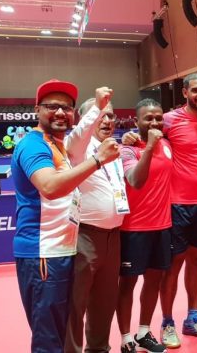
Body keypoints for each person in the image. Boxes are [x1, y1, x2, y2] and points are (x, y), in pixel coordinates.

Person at [12, 80, 119, 352]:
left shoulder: (58, 145)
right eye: (52, 107)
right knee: (49, 339)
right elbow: (49, 187)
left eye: (66, 108)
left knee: (60, 332)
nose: (60, 113)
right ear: (37, 110)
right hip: (42, 254)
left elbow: (82, 133)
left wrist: (97, 106)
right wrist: (97, 161)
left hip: (61, 252)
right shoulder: (33, 145)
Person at [124, 77, 197, 344]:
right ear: (185, 92)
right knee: (172, 266)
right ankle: (167, 322)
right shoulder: (168, 119)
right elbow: (145, 129)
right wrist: (129, 136)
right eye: (196, 90)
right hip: (176, 206)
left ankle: (193, 317)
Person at [65, 97, 129, 353]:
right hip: (85, 235)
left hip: (113, 237)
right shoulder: (78, 148)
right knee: (75, 304)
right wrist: (98, 106)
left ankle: (99, 349)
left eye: (111, 116)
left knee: (104, 302)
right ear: (87, 118)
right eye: (100, 115)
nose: (107, 120)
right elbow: (79, 135)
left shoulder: (113, 148)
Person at [116, 99, 173, 353]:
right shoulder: (127, 149)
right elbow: (135, 180)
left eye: (158, 118)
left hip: (162, 225)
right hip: (133, 228)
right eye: (148, 118)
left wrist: (156, 143)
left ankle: (143, 332)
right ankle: (125, 337)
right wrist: (148, 146)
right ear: (136, 121)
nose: (154, 122)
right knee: (127, 283)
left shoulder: (168, 144)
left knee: (154, 280)